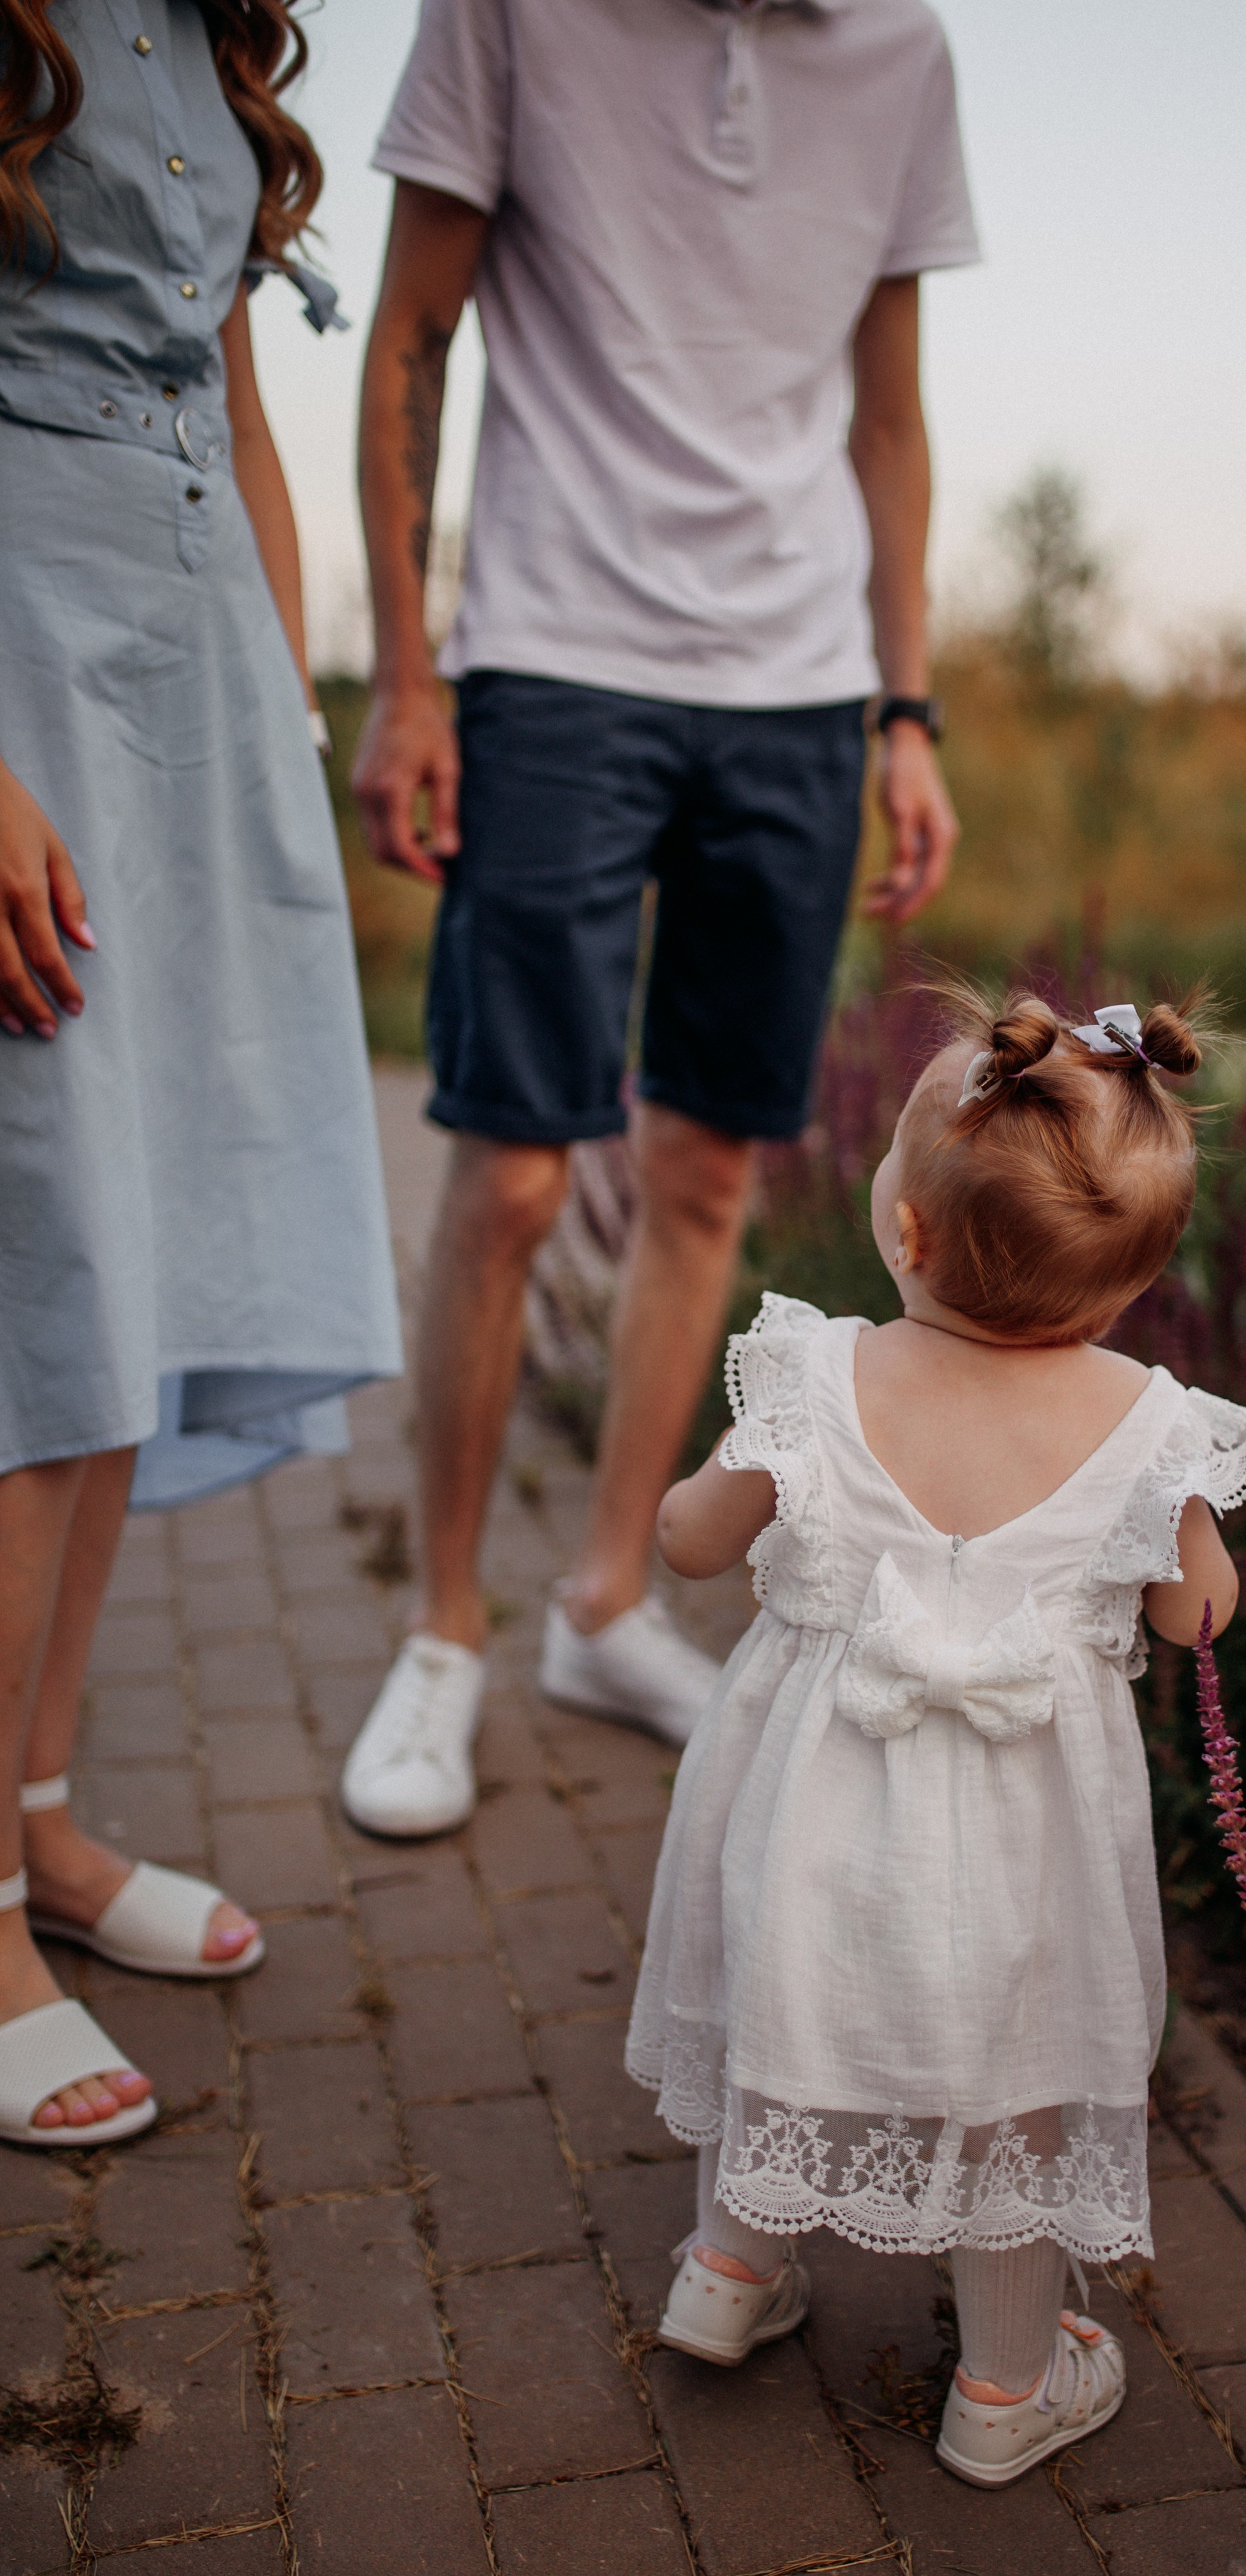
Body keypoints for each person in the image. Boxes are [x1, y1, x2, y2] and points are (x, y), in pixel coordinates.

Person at [339, 0, 979, 1840]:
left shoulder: (900, 55)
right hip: (551, 660)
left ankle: (604, 1604)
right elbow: (411, 331)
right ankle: (444, 1630)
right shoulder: (510, 14)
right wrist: (408, 674)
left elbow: (889, 413)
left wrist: (904, 709)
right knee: (519, 1170)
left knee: (706, 1171)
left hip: (793, 694)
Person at [626, 991, 1246, 2486]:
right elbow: (1198, 1616)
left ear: (907, 1235)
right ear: (1124, 1287)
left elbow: (680, 1538)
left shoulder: (814, 1376)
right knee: (1017, 2085)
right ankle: (1003, 2384)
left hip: (801, 1808)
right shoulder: (1147, 1418)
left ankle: (724, 2275)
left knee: (779, 2008)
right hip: (1021, 1846)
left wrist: (750, 1504)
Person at [0, 0, 401, 2150]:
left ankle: (40, 1815)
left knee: (130, 1265)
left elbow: (238, 405)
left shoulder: (202, 41)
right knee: (39, 1257)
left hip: (194, 665)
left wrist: (282, 701)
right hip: (14, 647)